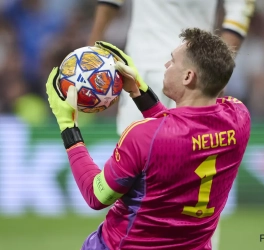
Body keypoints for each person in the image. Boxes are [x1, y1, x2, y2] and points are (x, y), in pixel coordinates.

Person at [46, 28, 251, 250]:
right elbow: (179, 133)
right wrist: (138, 91)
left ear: (188, 76)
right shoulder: (239, 117)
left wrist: (67, 125)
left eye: (172, 61)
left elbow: (97, 196)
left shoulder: (142, 136)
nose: (166, 66)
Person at [88, 0, 256, 135]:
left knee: (137, 155)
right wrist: (217, 73)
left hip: (146, 65)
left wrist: (92, 49)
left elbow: (110, 3)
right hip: (194, 72)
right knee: (188, 155)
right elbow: (238, 18)